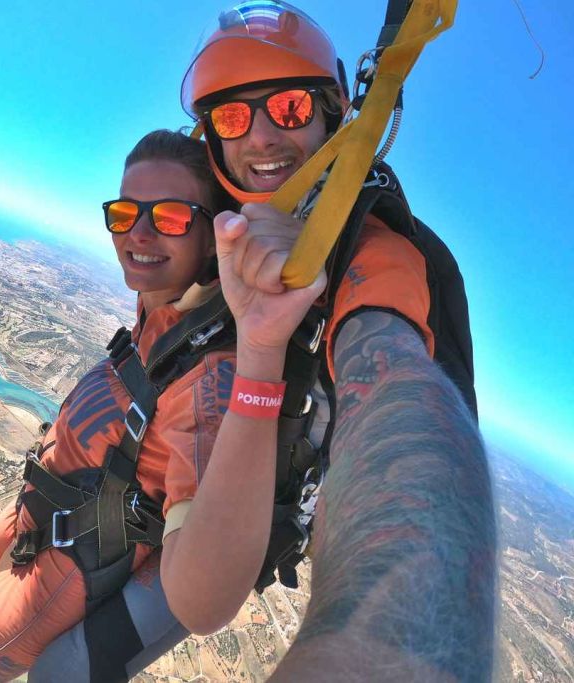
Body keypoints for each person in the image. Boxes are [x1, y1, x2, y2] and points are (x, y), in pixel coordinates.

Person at [31, 1, 495, 679]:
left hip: (219, 523)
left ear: (333, 114)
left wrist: (394, 642)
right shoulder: (214, 221)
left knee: (62, 671)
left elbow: (394, 382)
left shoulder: (370, 250)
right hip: (145, 477)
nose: (260, 138)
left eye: (289, 108)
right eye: (231, 118)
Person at [0, 129, 280, 682]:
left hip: (73, 559)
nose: (139, 233)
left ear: (214, 238)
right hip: (41, 511)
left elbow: (200, 546)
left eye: (170, 217)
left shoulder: (208, 377)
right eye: (125, 213)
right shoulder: (165, 313)